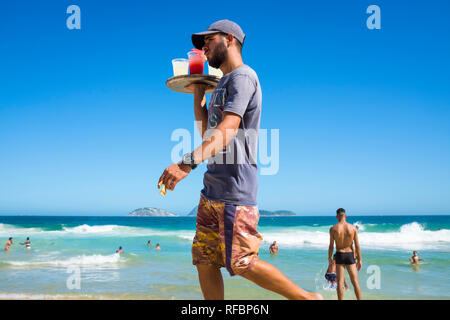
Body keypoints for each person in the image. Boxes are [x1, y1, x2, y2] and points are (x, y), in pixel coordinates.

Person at [158, 19, 321, 300]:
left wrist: (185, 163)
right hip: (211, 189)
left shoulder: (244, 77)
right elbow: (208, 132)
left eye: (209, 40)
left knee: (241, 261)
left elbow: (228, 130)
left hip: (235, 191)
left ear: (230, 39)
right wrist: (198, 90)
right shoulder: (222, 83)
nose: (203, 47)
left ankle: (308, 299)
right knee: (205, 260)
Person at [329, 208, 362, 300]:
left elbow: (331, 246)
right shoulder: (353, 228)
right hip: (350, 255)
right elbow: (357, 246)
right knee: (355, 282)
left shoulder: (333, 229)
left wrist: (329, 258)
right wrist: (360, 260)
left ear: (337, 217)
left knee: (339, 283)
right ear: (346, 216)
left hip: (339, 255)